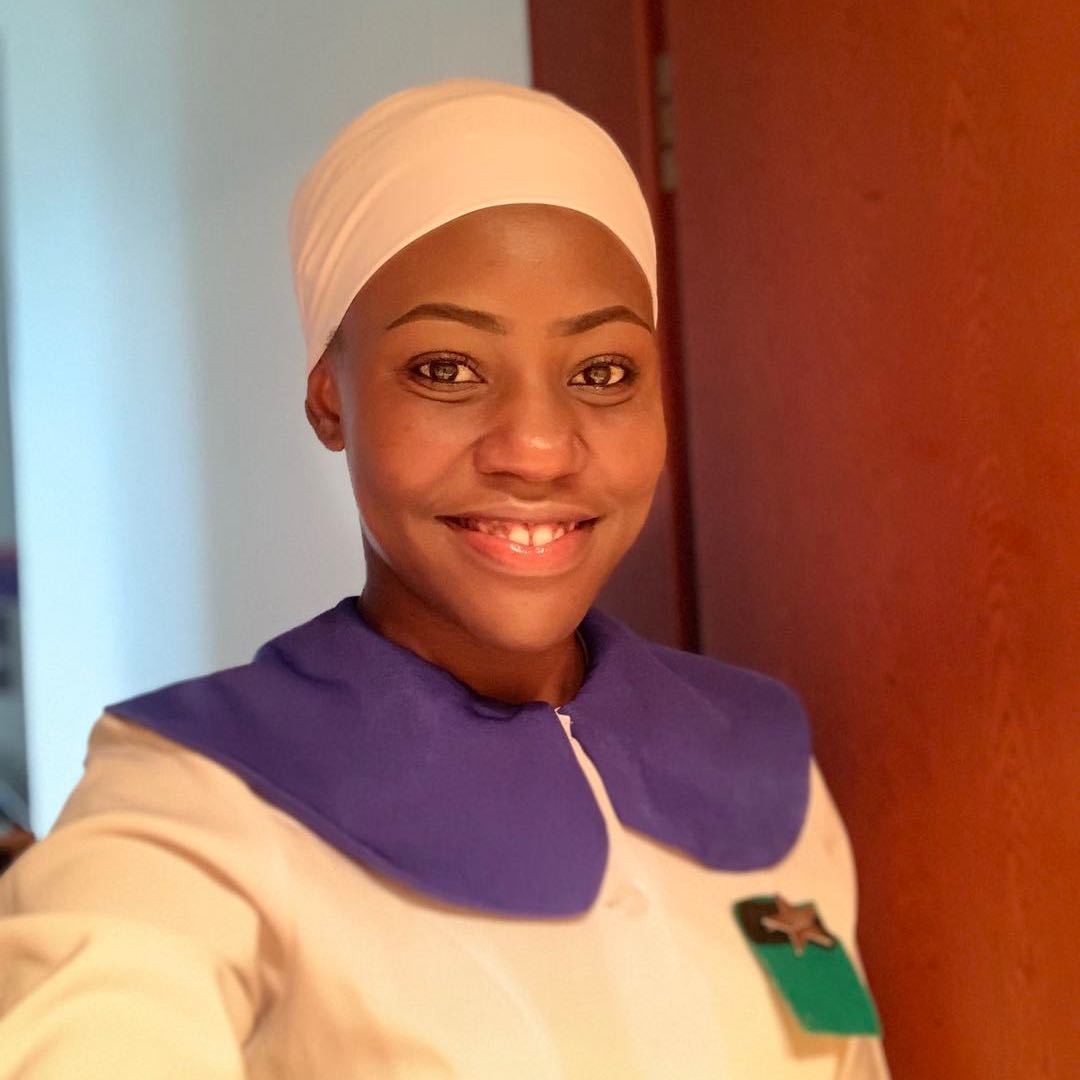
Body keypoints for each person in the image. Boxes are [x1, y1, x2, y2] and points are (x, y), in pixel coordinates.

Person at [0, 80, 889, 1078]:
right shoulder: (192, 801)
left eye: (602, 372)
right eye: (447, 370)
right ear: (330, 401)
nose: (539, 449)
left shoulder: (758, 760)